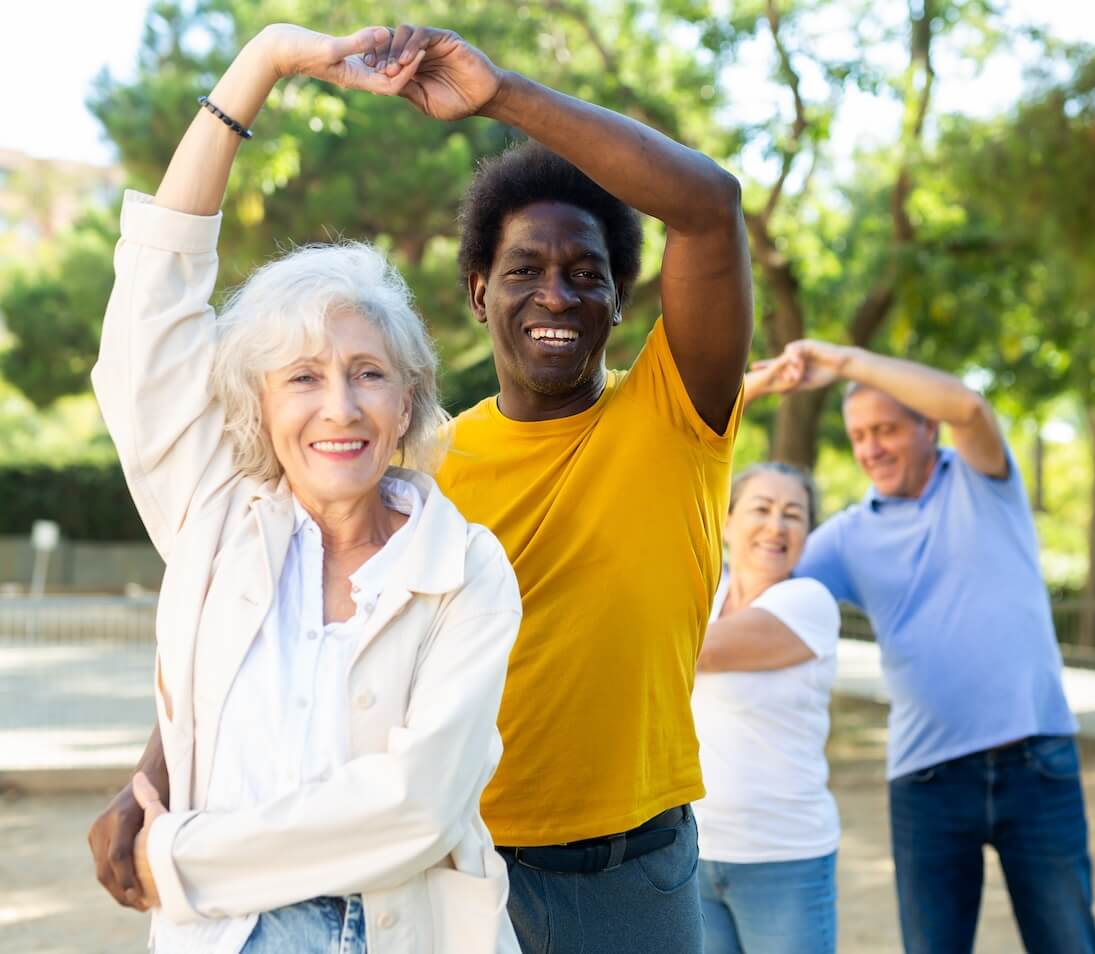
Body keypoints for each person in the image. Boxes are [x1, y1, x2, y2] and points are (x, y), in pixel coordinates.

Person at [90, 19, 754, 954]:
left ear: (619, 300)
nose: (557, 296)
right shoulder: (416, 464)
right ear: (479, 293)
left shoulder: (677, 416)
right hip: (456, 874)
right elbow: (277, 614)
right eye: (525, 270)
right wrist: (159, 769)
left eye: (586, 276)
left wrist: (501, 96)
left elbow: (709, 205)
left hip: (630, 874)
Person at [88, 24, 522, 953]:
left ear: (408, 402)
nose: (341, 407)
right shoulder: (215, 517)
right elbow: (149, 318)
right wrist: (266, 62)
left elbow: (414, 810)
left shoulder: (468, 570)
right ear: (260, 403)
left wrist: (178, 859)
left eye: (369, 373)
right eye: (302, 377)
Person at [748, 340, 1095, 954]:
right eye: (859, 436)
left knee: (1069, 944)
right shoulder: (847, 538)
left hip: (1038, 765)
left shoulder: (984, 481)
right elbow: (762, 567)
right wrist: (751, 387)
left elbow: (969, 406)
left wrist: (844, 363)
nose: (870, 449)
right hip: (928, 782)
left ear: (926, 425)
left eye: (885, 429)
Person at [692, 463, 841, 954]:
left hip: (784, 860)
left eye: (793, 515)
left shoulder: (808, 603)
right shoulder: (704, 599)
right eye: (761, 508)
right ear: (727, 521)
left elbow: (698, 651)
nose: (776, 526)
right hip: (695, 851)